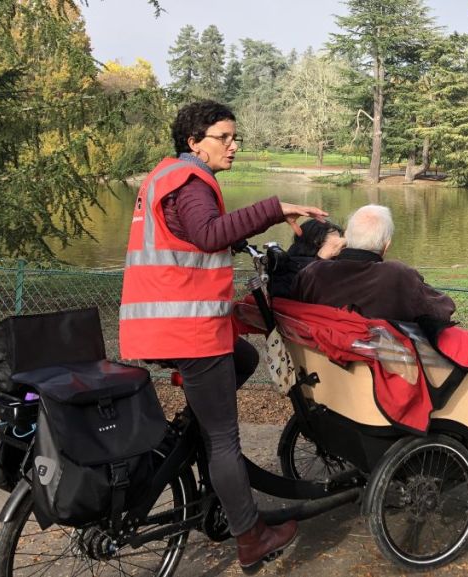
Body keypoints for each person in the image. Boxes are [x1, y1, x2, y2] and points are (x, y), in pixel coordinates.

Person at [118, 100, 326, 573]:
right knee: (223, 440)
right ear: (194, 142)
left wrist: (239, 240)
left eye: (236, 138)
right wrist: (276, 208)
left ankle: (190, 440)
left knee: (244, 359)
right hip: (189, 331)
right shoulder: (190, 182)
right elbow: (207, 233)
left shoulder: (165, 176)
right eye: (224, 137)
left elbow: (192, 237)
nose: (233, 146)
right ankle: (251, 536)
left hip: (158, 325)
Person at [291, 204, 455, 323]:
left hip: (320, 362)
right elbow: (444, 310)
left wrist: (320, 260)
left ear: (346, 236)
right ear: (386, 244)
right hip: (382, 366)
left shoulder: (313, 272)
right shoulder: (397, 274)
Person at [270, 220, 345, 298]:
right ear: (317, 242)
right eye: (336, 243)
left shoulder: (285, 265)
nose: (341, 247)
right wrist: (321, 259)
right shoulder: (298, 273)